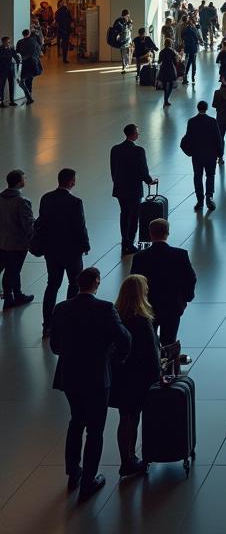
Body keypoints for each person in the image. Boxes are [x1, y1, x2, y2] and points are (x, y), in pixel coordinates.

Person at [49, 267, 131, 502]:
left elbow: (55, 346)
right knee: (95, 430)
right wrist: (114, 358)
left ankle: (73, 472)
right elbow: (124, 339)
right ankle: (89, 480)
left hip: (70, 376)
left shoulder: (62, 309)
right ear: (96, 282)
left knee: (76, 421)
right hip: (97, 377)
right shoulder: (105, 309)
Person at [109, 275, 161, 480]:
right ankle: (130, 458)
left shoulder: (116, 315)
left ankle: (126, 459)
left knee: (125, 417)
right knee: (133, 419)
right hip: (138, 379)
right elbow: (151, 354)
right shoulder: (142, 319)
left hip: (120, 377)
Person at [36, 168, 89, 337]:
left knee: (52, 285)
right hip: (72, 252)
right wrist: (85, 245)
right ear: (71, 182)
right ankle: (68, 320)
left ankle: (47, 325)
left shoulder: (46, 198)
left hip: (52, 251)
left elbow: (41, 222)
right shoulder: (75, 202)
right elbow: (79, 226)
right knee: (74, 284)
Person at [130, 217, 197, 346]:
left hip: (147, 306)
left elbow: (134, 282)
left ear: (150, 233)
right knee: (169, 341)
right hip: (172, 305)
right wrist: (186, 298)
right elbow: (190, 278)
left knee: (149, 342)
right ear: (167, 233)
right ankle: (170, 364)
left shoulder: (140, 257)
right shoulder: (180, 255)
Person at [110, 124, 157, 256]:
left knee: (124, 214)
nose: (138, 134)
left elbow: (113, 169)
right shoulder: (138, 151)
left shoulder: (115, 149)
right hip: (134, 189)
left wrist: (117, 182)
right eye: (137, 132)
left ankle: (124, 242)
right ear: (133, 134)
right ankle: (129, 244)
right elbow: (142, 169)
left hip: (120, 188)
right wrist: (149, 181)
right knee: (134, 216)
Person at [0, 168, 35, 309]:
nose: (25, 180)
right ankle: (11, 297)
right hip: (17, 243)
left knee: (11, 269)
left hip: (2, 241)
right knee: (13, 270)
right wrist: (34, 239)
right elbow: (28, 224)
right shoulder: (22, 201)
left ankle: (16, 294)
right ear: (19, 182)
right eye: (24, 178)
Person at [182, 100, 222, 212]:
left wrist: (189, 152)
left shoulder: (192, 122)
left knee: (197, 176)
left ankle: (200, 200)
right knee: (210, 175)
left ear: (198, 108)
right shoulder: (212, 121)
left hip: (197, 155)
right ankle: (209, 196)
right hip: (210, 155)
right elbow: (218, 139)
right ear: (206, 108)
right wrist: (219, 154)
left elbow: (187, 139)